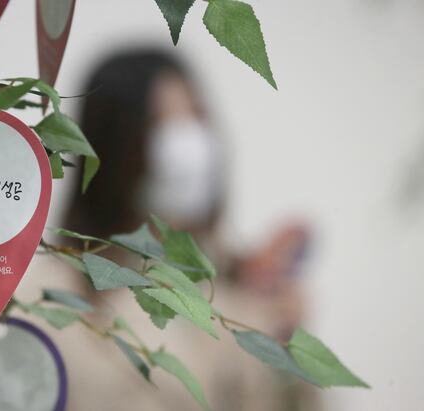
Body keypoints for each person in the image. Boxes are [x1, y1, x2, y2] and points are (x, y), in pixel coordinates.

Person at [19, 48, 319, 410]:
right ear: (112, 145)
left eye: (195, 116)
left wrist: (289, 352)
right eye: (163, 122)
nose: (189, 143)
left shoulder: (244, 288)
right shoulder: (46, 302)